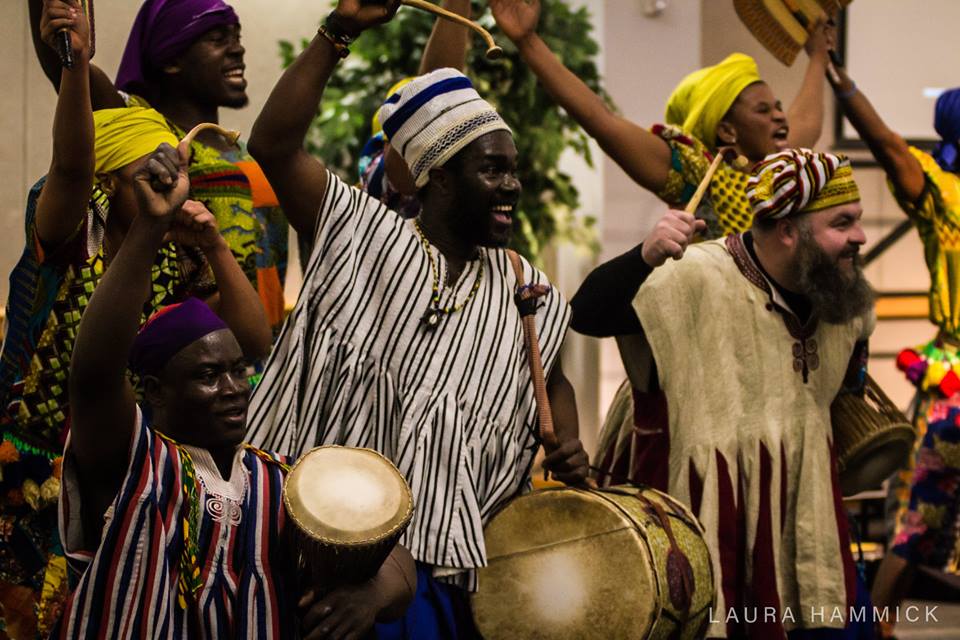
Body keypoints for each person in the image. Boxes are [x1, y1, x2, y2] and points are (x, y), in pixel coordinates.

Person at [243, 1, 589, 635]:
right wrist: (338, 30)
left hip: (448, 586)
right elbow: (271, 143)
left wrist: (567, 440)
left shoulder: (524, 285)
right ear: (436, 176)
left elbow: (555, 376)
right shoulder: (356, 232)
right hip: (313, 564)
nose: (512, 186)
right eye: (492, 169)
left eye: (513, 169)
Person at [54, 143, 415, 638]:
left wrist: (371, 595)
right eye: (207, 377)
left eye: (238, 370)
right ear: (154, 392)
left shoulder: (280, 482)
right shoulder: (135, 462)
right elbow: (93, 375)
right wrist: (150, 227)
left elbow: (395, 555)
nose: (232, 389)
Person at [0, 3, 273, 635]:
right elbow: (71, 161)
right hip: (33, 478)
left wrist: (211, 244)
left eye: (175, 172)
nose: (170, 184)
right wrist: (75, 63)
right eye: (150, 172)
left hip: (132, 486)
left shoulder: (175, 253)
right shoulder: (71, 225)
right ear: (110, 177)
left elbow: (253, 342)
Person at [570, 149, 875, 638]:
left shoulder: (846, 298)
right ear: (789, 230)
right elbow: (584, 315)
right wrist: (643, 256)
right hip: (694, 526)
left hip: (805, 527)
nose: (859, 237)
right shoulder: (691, 274)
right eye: (842, 223)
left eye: (858, 221)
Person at [28, 0, 290, 332]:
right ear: (171, 59)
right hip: (191, 357)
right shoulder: (138, 124)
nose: (237, 49)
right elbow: (66, 70)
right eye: (218, 38)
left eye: (236, 35)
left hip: (251, 356)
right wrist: (64, 33)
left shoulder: (244, 153)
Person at [831, 66, 960, 638]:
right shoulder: (944, 194)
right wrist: (843, 86)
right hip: (958, 381)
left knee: (919, 517)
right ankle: (875, 628)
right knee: (918, 517)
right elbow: (886, 146)